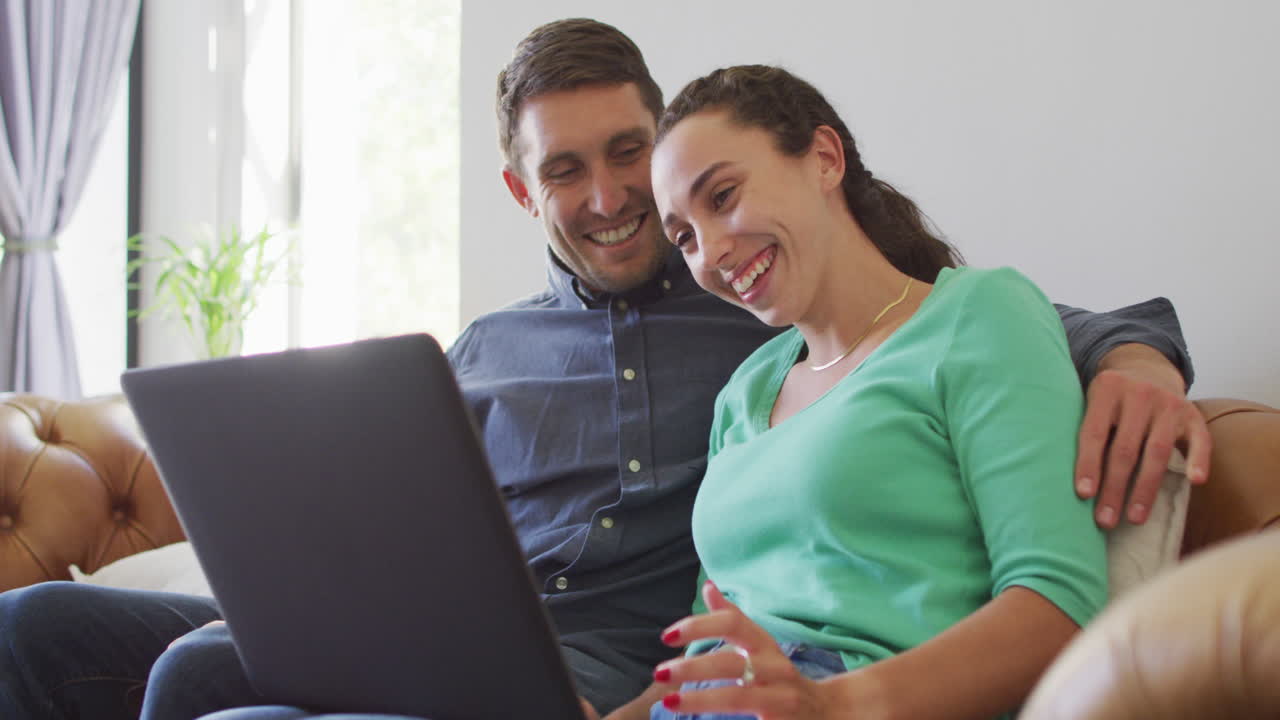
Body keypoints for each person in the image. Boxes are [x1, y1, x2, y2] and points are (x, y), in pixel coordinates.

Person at [0, 18, 1206, 720]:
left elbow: (984, 323)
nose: (620, 200)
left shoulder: (769, 311)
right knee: (38, 627)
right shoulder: (510, 356)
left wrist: (1139, 350)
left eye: (638, 156)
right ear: (525, 189)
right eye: (567, 170)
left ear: (818, 160)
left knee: (203, 684)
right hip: (463, 644)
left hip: (604, 670)